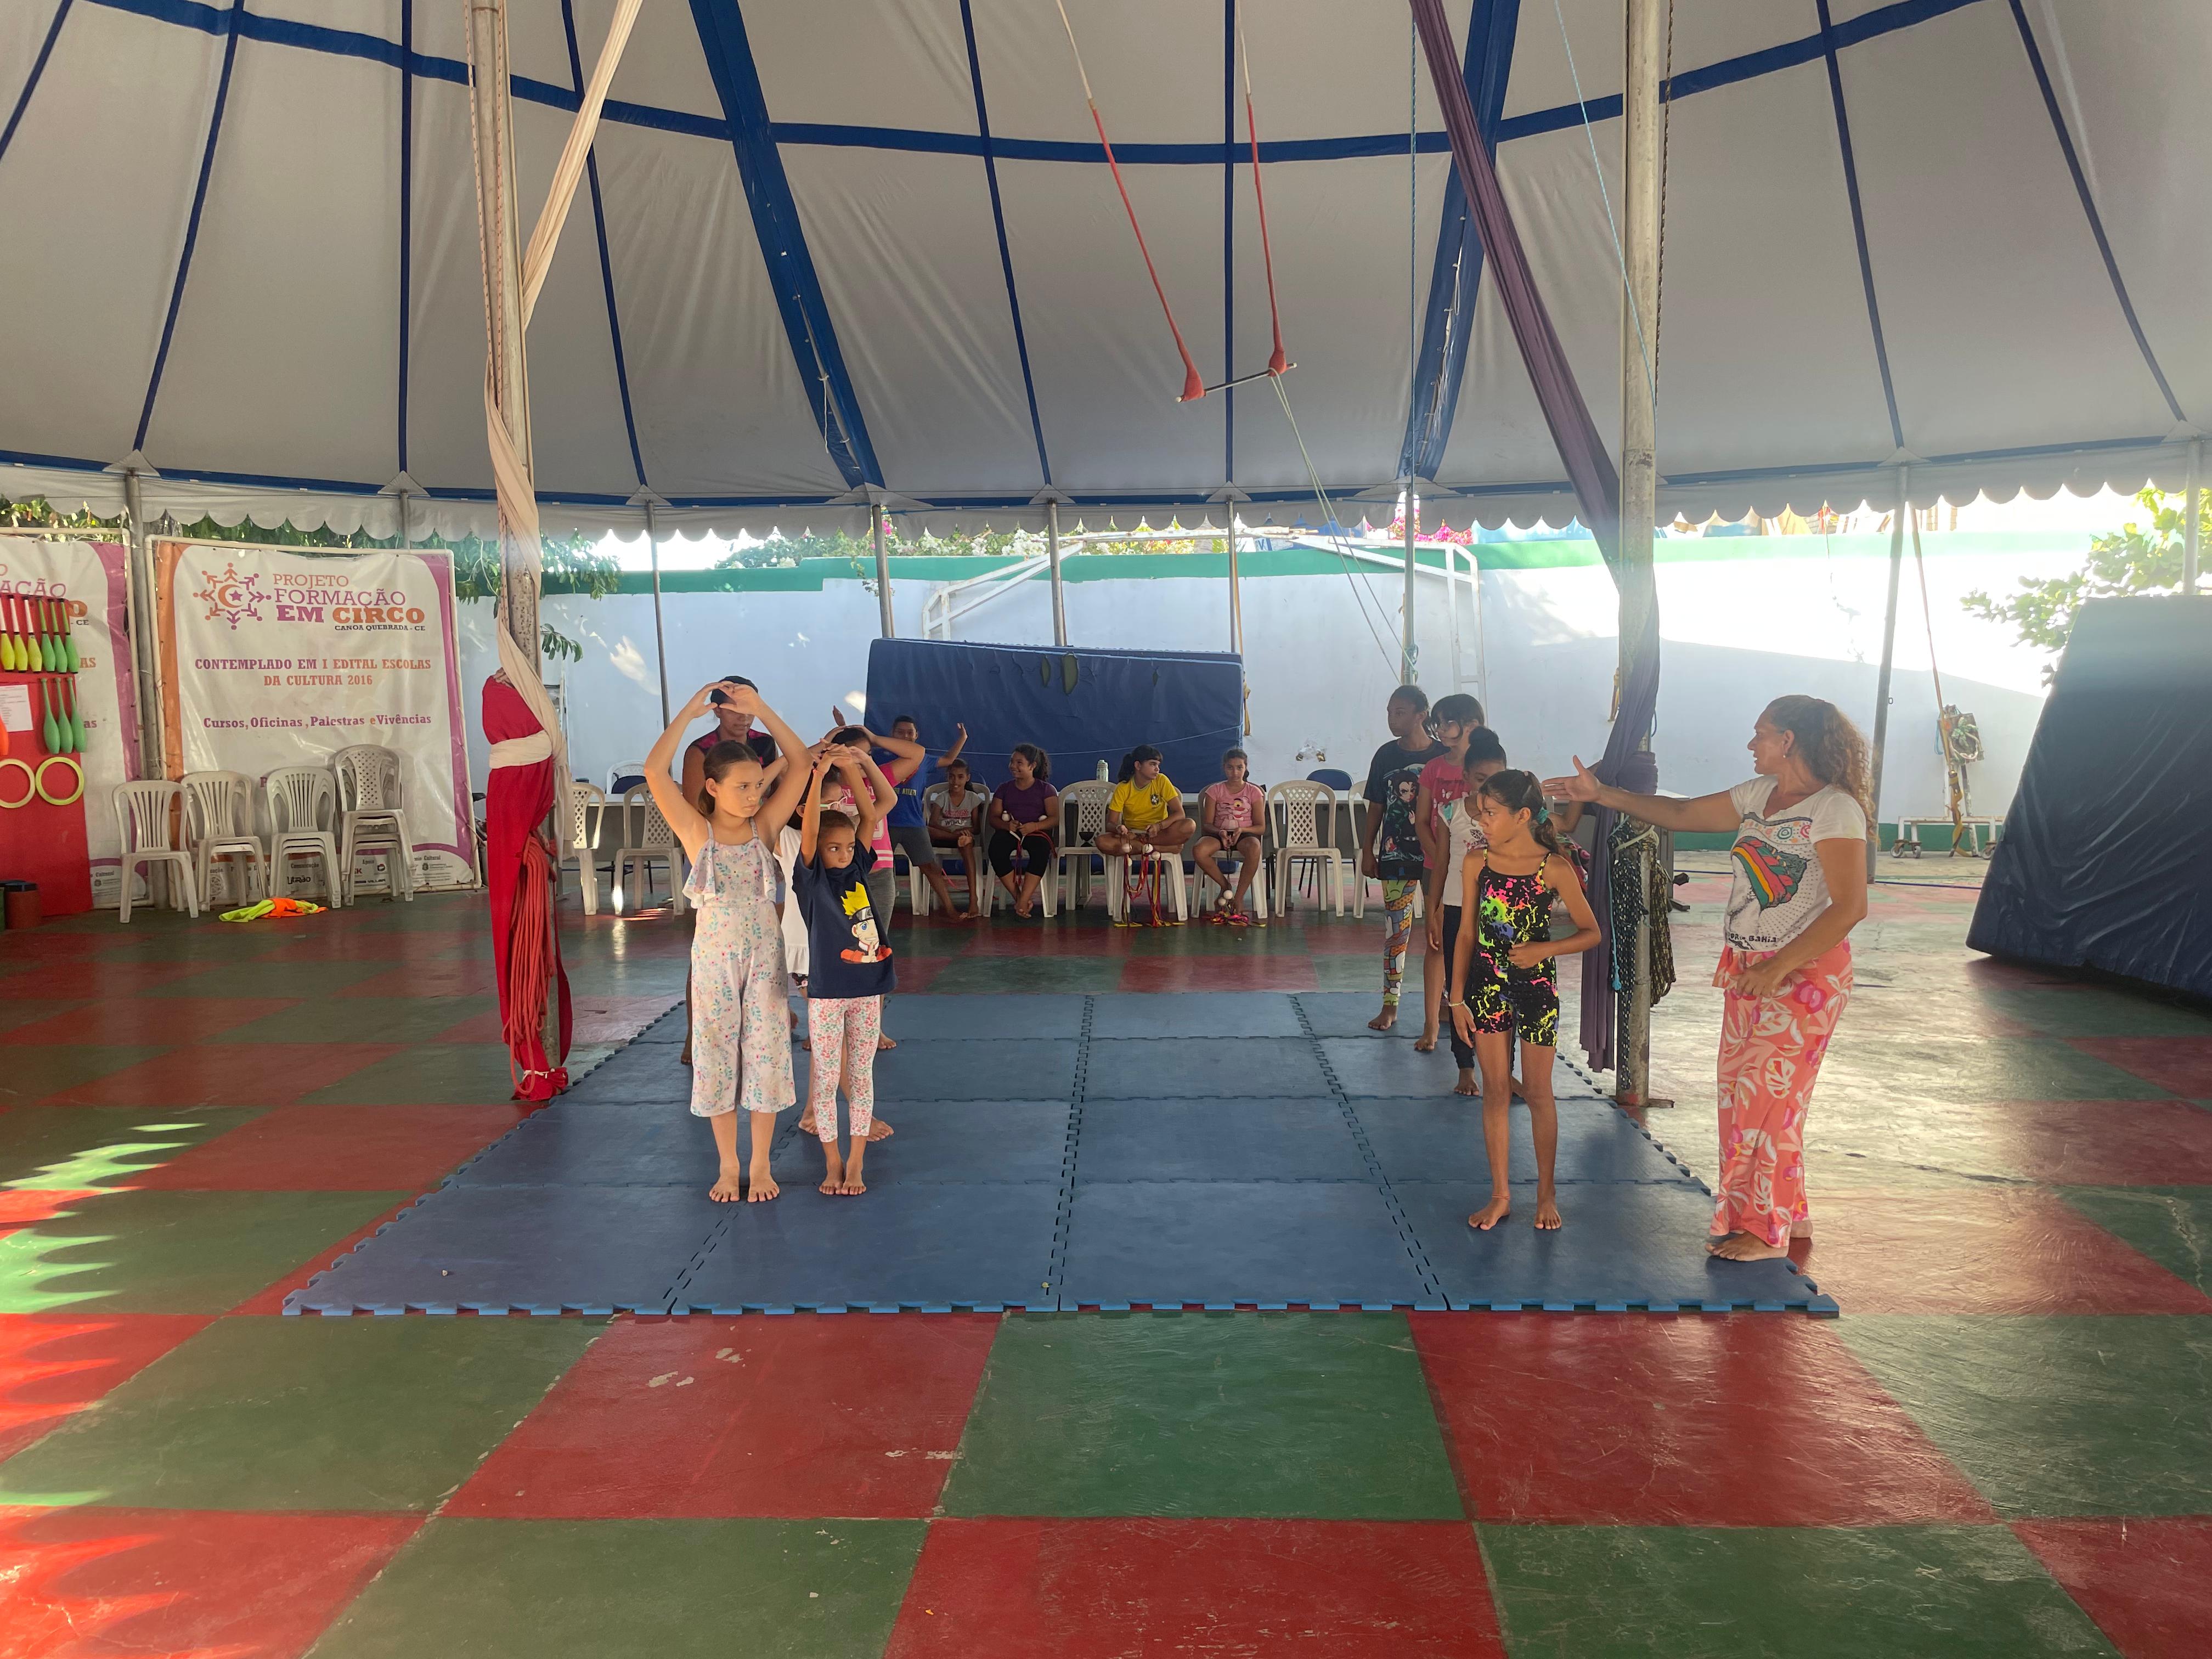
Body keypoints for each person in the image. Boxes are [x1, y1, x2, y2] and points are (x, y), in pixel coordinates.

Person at [1545, 695, 1871, 1262]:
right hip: (1749, 967)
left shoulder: (1834, 809)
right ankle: (1789, 1214)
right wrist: (1602, 796)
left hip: (1803, 974)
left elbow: (1850, 907)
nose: (1751, 744)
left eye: (1761, 733)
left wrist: (1778, 967)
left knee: (1765, 1102)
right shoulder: (1759, 796)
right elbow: (1681, 813)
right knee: (1750, 1098)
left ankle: (1764, 1232)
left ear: (1788, 740)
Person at [644, 681, 811, 1203]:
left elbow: (801, 763)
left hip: (764, 960)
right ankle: (727, 1164)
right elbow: (655, 771)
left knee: (767, 1053)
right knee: (716, 1054)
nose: (754, 795)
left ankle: (760, 1164)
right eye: (742, 787)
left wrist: (762, 708)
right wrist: (689, 713)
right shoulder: (697, 832)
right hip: (715, 964)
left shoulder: (765, 828)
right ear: (713, 788)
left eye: (758, 785)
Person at [1448, 770, 1602, 1232]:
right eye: (1480, 812)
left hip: (1536, 990)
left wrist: (1543, 949)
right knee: (1495, 1090)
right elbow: (1466, 935)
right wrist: (1456, 999)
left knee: (1537, 1092)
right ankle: (1500, 1195)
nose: (1482, 820)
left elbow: (1591, 932)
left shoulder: (1553, 868)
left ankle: (1546, 1192)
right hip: (1486, 987)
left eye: (1491, 813)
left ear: (1522, 816)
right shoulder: (1476, 862)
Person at [795, 746, 897, 1195]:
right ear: (817, 850)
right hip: (828, 991)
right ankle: (832, 1162)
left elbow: (871, 816)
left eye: (847, 847)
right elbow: (810, 831)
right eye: (832, 848)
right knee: (824, 1079)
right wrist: (818, 775)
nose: (841, 854)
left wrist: (856, 766)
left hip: (868, 985)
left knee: (861, 1075)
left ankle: (856, 1162)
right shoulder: (812, 879)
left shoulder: (857, 866)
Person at [1417, 701, 1504, 1086]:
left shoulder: (1513, 816)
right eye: (1481, 778)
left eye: (1497, 779)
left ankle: (1502, 1070)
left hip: (1498, 911)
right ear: (1466, 776)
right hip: (1455, 907)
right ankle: (1465, 1066)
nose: (1488, 787)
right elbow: (1440, 867)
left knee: (1499, 988)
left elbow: (1557, 827)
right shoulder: (1451, 813)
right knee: (1459, 986)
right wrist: (1434, 910)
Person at [1361, 685, 1446, 1034]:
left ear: (1421, 716)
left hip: (1439, 858)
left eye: (1400, 712)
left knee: (1441, 934)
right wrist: (1368, 849)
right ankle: (1390, 1004)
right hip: (1396, 855)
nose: (1392, 719)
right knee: (1396, 933)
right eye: (1389, 712)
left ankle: (1445, 1001)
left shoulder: (1444, 755)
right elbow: (1376, 807)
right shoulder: (1385, 755)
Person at [880, 715, 973, 921]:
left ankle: (950, 910)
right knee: (875, 869)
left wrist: (963, 738)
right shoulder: (879, 756)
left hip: (914, 824)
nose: (905, 736)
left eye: (910, 732)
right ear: (892, 734)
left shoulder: (923, 759)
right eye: (900, 732)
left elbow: (948, 760)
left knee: (931, 868)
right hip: (884, 823)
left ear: (917, 735)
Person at [1193, 747, 1266, 922]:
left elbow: (1261, 828)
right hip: (1219, 834)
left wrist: (1243, 830)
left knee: (1255, 848)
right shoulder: (1215, 791)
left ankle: (1238, 897)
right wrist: (1221, 832)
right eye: (1230, 768)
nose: (1235, 772)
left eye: (1240, 767)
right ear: (1224, 768)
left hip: (1245, 834)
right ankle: (1225, 885)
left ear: (1246, 768)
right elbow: (1207, 825)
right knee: (1199, 850)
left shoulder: (1254, 792)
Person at [989, 744, 1059, 917]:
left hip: (1035, 832)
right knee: (996, 848)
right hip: (1011, 832)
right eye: (1012, 762)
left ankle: (1024, 898)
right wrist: (1007, 826)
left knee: (1041, 850)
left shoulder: (1046, 789)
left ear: (1032, 766)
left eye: (1019, 763)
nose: (1013, 766)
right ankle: (1019, 898)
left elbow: (1054, 818)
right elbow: (993, 818)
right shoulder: (1004, 789)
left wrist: (1035, 826)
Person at [925, 755, 992, 906]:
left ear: (968, 778)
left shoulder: (973, 798)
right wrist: (952, 834)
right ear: (947, 777)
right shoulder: (942, 798)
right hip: (944, 836)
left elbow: (976, 828)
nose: (955, 781)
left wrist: (964, 831)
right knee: (926, 830)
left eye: (960, 777)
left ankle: (973, 898)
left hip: (964, 838)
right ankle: (956, 837)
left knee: (966, 843)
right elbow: (933, 824)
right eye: (952, 777)